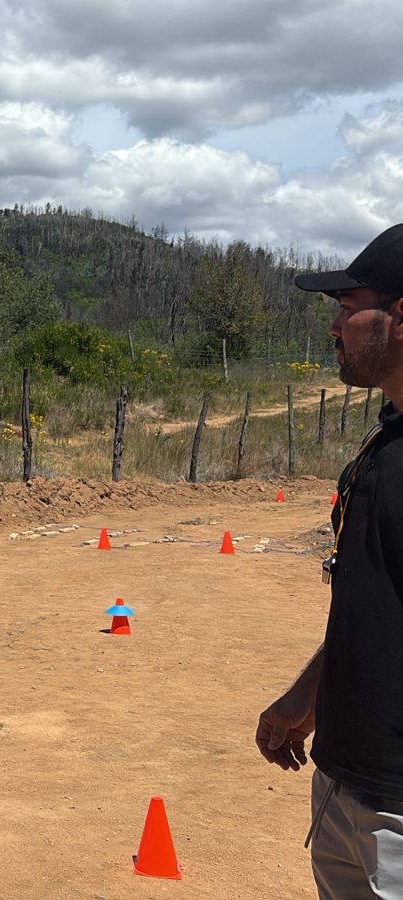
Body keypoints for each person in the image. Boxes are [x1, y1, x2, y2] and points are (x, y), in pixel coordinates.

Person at [258, 223, 403, 898]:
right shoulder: (385, 443)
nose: (334, 327)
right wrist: (309, 695)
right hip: (345, 785)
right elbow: (377, 602)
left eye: (348, 308)